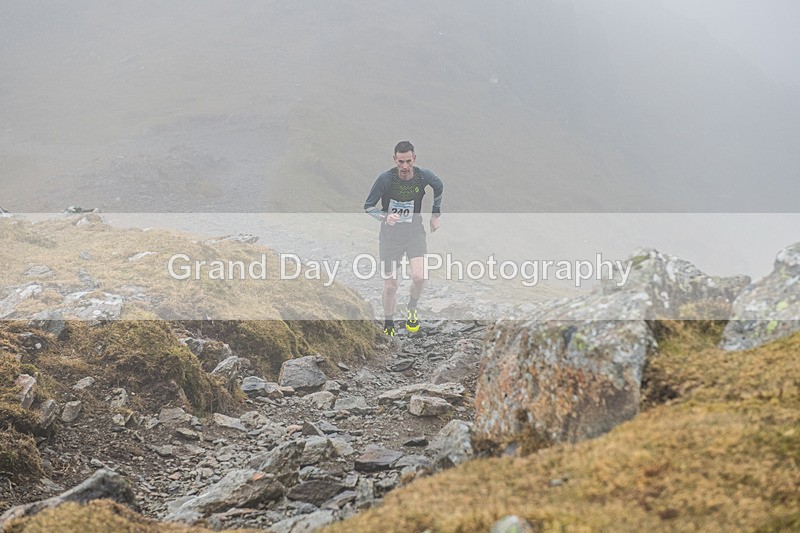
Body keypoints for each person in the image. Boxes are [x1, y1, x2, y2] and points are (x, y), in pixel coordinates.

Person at [363, 140, 444, 336]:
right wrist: (385, 216)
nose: (405, 167)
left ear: (414, 158)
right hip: (390, 237)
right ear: (395, 160)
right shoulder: (385, 179)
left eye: (408, 161)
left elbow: (439, 186)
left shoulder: (423, 176)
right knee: (391, 285)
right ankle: (388, 323)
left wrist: (435, 214)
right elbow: (368, 206)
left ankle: (412, 307)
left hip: (414, 232)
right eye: (401, 162)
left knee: (420, 276)